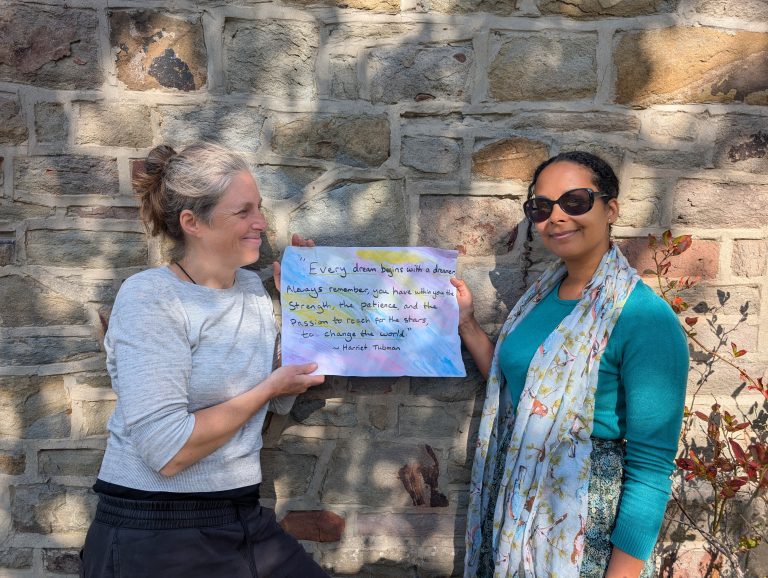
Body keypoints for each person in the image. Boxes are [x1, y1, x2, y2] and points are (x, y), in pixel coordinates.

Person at [80, 142, 329, 578]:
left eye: (261, 208)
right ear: (192, 222)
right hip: (155, 530)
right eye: (244, 212)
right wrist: (271, 388)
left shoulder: (252, 290)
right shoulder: (150, 298)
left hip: (240, 515)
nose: (261, 223)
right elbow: (168, 450)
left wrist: (303, 311)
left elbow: (274, 398)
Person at [452, 151, 688, 578]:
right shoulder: (542, 296)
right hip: (514, 508)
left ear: (610, 208)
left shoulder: (644, 318)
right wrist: (467, 323)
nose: (556, 217)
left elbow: (651, 469)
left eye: (575, 201)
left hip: (582, 526)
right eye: (541, 207)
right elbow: (522, 393)